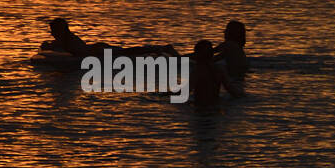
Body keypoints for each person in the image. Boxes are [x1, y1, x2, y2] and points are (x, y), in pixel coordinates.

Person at [41, 18, 178, 58]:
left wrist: (49, 46)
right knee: (129, 51)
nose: (51, 33)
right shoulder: (65, 38)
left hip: (100, 52)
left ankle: (163, 48)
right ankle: (160, 48)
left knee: (130, 52)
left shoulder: (66, 39)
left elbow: (57, 45)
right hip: (97, 48)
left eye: (53, 30)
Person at [190, 39, 244, 105]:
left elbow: (185, 92)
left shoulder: (197, 71)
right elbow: (232, 91)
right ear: (212, 55)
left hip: (200, 107)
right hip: (215, 106)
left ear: (197, 55)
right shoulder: (219, 70)